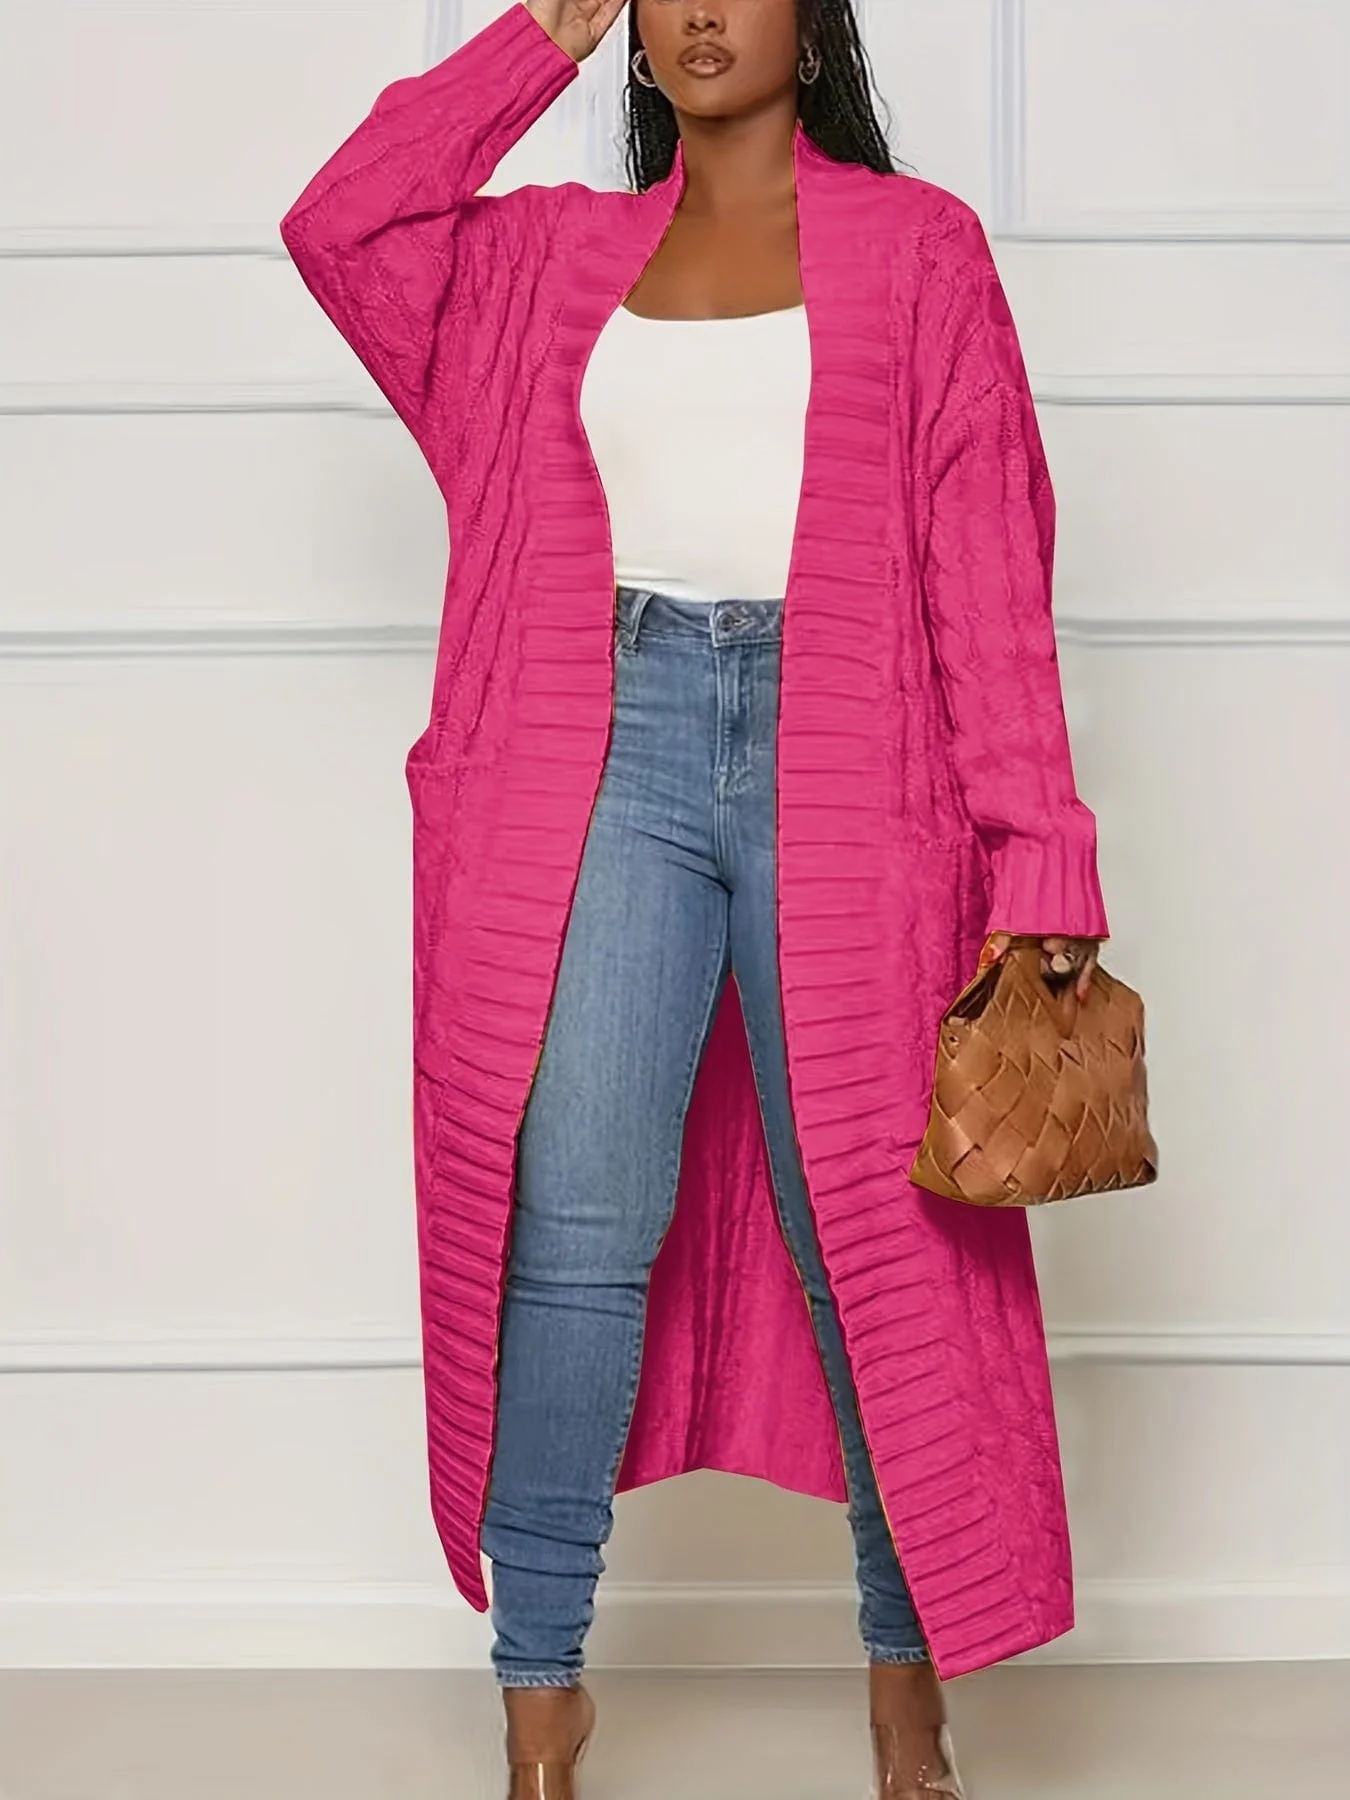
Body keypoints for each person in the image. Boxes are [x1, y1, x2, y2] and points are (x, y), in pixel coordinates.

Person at [280, 2, 1110, 1795]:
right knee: (573, 1225)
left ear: (813, 22)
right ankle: (540, 1687)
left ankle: (902, 1674)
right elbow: (341, 224)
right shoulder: (539, 260)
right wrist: (535, 38)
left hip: (855, 764)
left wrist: (1037, 850)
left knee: (870, 1229)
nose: (703, 8)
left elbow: (988, 563)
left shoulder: (919, 249)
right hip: (600, 754)